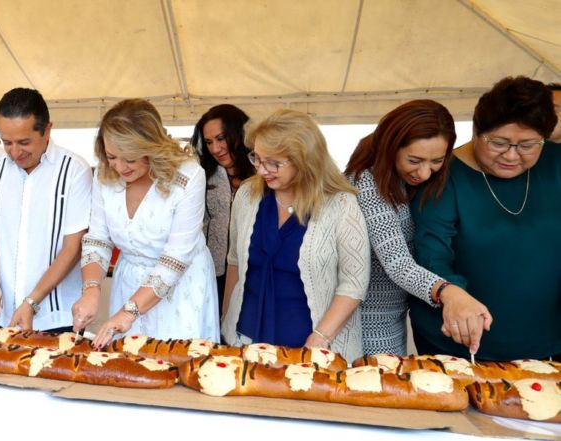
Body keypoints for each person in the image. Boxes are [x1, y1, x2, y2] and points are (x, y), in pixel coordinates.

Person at [411, 76, 561, 361]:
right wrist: (452, 294)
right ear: (476, 130)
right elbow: (431, 255)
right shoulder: (443, 179)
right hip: (460, 342)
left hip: (548, 339)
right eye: (499, 142)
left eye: (528, 145)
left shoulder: (556, 164)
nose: (511, 155)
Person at [221, 109, 370, 362]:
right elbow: (234, 261)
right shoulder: (247, 196)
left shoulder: (341, 205)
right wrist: (226, 319)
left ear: (305, 160)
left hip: (313, 347)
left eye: (274, 163)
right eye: (257, 158)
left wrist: (321, 338)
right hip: (244, 339)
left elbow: (354, 283)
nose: (261, 170)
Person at [345, 100, 490, 355]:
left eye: (437, 161)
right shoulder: (366, 183)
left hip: (393, 318)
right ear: (390, 147)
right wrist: (447, 292)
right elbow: (397, 263)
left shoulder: (401, 183)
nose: (424, 173)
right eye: (415, 160)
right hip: (363, 323)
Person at [76, 99, 219, 348]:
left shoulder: (189, 175)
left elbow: (175, 258)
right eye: (111, 156)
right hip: (128, 281)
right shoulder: (104, 174)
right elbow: (98, 238)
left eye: (130, 159)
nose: (119, 167)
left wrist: (129, 311)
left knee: (176, 360)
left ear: (151, 148)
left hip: (181, 288)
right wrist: (91, 288)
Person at [0, 88, 91, 332]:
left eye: (24, 142)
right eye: (7, 143)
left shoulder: (74, 171)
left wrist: (32, 301)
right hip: (1, 314)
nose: (15, 152)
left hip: (55, 317)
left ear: (47, 130)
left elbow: (74, 247)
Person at [189, 104, 255, 314]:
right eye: (209, 142)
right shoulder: (202, 175)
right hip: (213, 272)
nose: (215, 149)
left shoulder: (262, 174)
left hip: (253, 270)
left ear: (239, 133)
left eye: (221, 138)